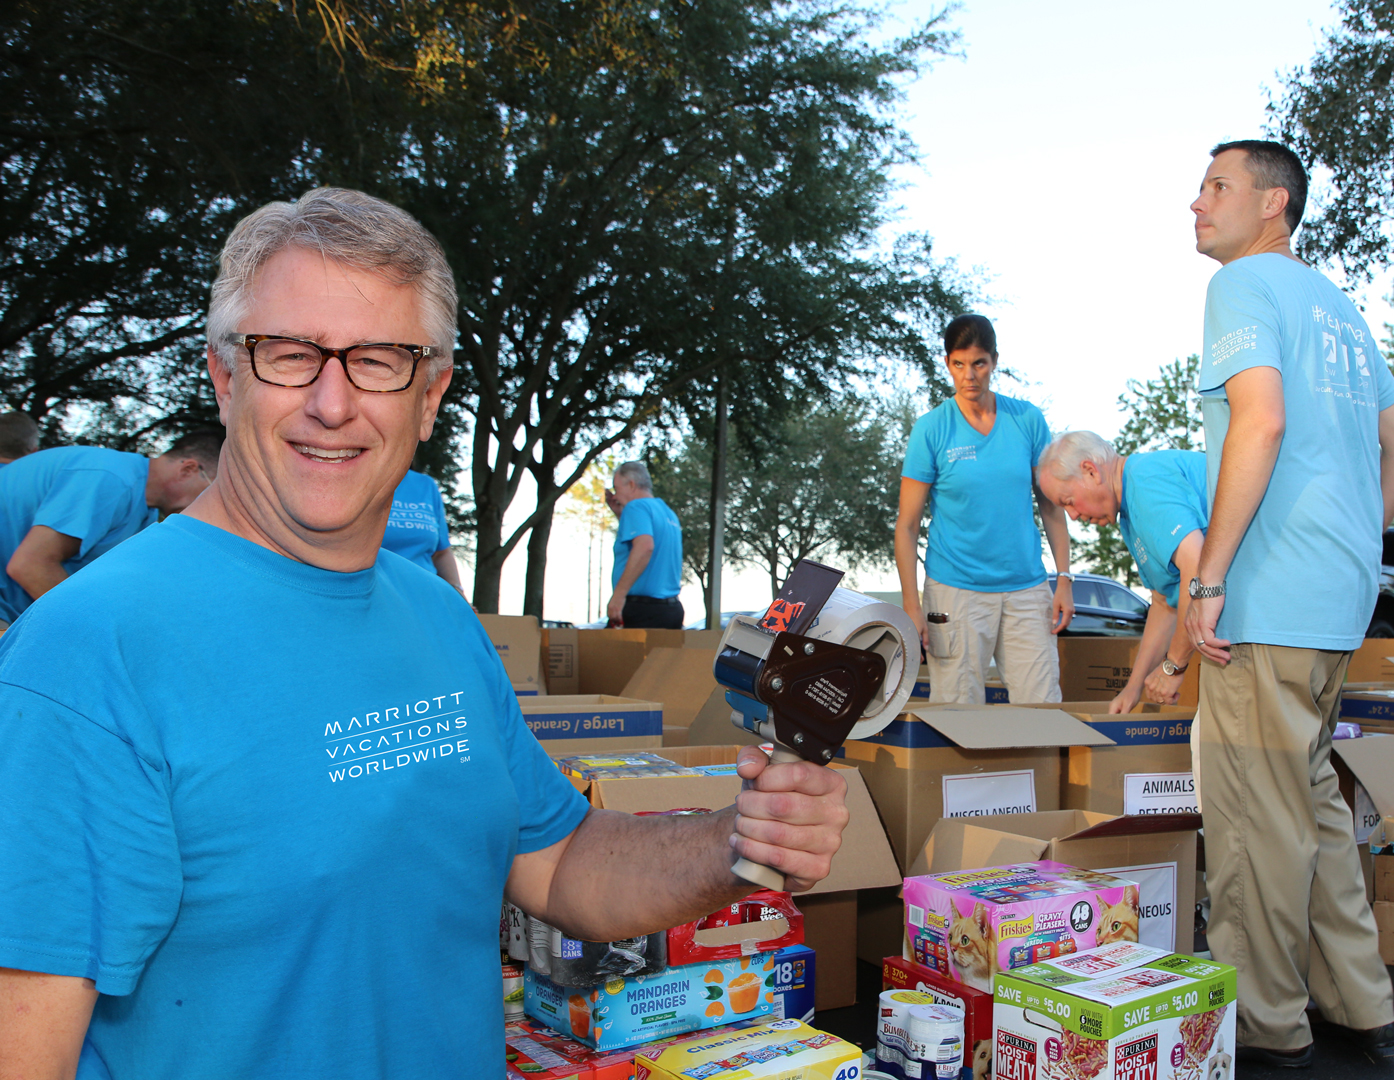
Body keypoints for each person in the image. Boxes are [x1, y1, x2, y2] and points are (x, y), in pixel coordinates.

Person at [0, 188, 848, 1079]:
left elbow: (560, 867)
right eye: (289, 355)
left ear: (432, 393)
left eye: (378, 361)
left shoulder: (436, 612)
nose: (332, 403)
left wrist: (743, 838)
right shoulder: (88, 655)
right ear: (225, 375)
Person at [1183, 140, 1394, 1067]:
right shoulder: (1339, 307)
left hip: (1269, 595)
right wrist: (1354, 536)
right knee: (1314, 804)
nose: (1196, 202)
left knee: (1252, 822)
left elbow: (1263, 419)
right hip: (1335, 597)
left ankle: (1266, 1027)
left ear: (1273, 204)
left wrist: (1210, 575)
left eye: (1217, 186)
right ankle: (1360, 1003)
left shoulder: (1242, 287)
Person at [895, 313, 1074, 705]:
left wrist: (1063, 578)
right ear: (947, 364)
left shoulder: (1026, 419)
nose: (969, 375)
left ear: (994, 361)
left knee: (1042, 708)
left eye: (979, 363)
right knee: (958, 713)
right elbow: (906, 527)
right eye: (958, 364)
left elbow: (1051, 506)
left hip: (1026, 588)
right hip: (954, 592)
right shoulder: (932, 429)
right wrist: (911, 603)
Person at [1034, 431, 1208, 713]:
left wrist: (1173, 666)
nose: (1073, 516)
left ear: (1090, 471)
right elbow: (1165, 603)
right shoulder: (1130, 510)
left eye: (1068, 501)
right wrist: (1133, 688)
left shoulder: (1145, 484)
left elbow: (1198, 570)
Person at [0, 432, 220, 624]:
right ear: (188, 469)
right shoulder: (110, 478)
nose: (211, 503)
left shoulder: (147, 515)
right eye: (212, 490)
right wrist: (97, 629)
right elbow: (29, 566)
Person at [606, 460, 685, 629]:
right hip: (670, 610)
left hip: (640, 611)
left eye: (616, 488)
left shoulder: (635, 507)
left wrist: (618, 596)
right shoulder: (667, 513)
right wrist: (621, 516)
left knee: (601, 654)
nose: (614, 496)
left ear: (631, 484)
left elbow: (645, 546)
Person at [382, 467, 465, 594]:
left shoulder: (426, 484)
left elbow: (441, 552)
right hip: (374, 595)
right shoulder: (354, 479)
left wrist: (457, 592)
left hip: (426, 596)